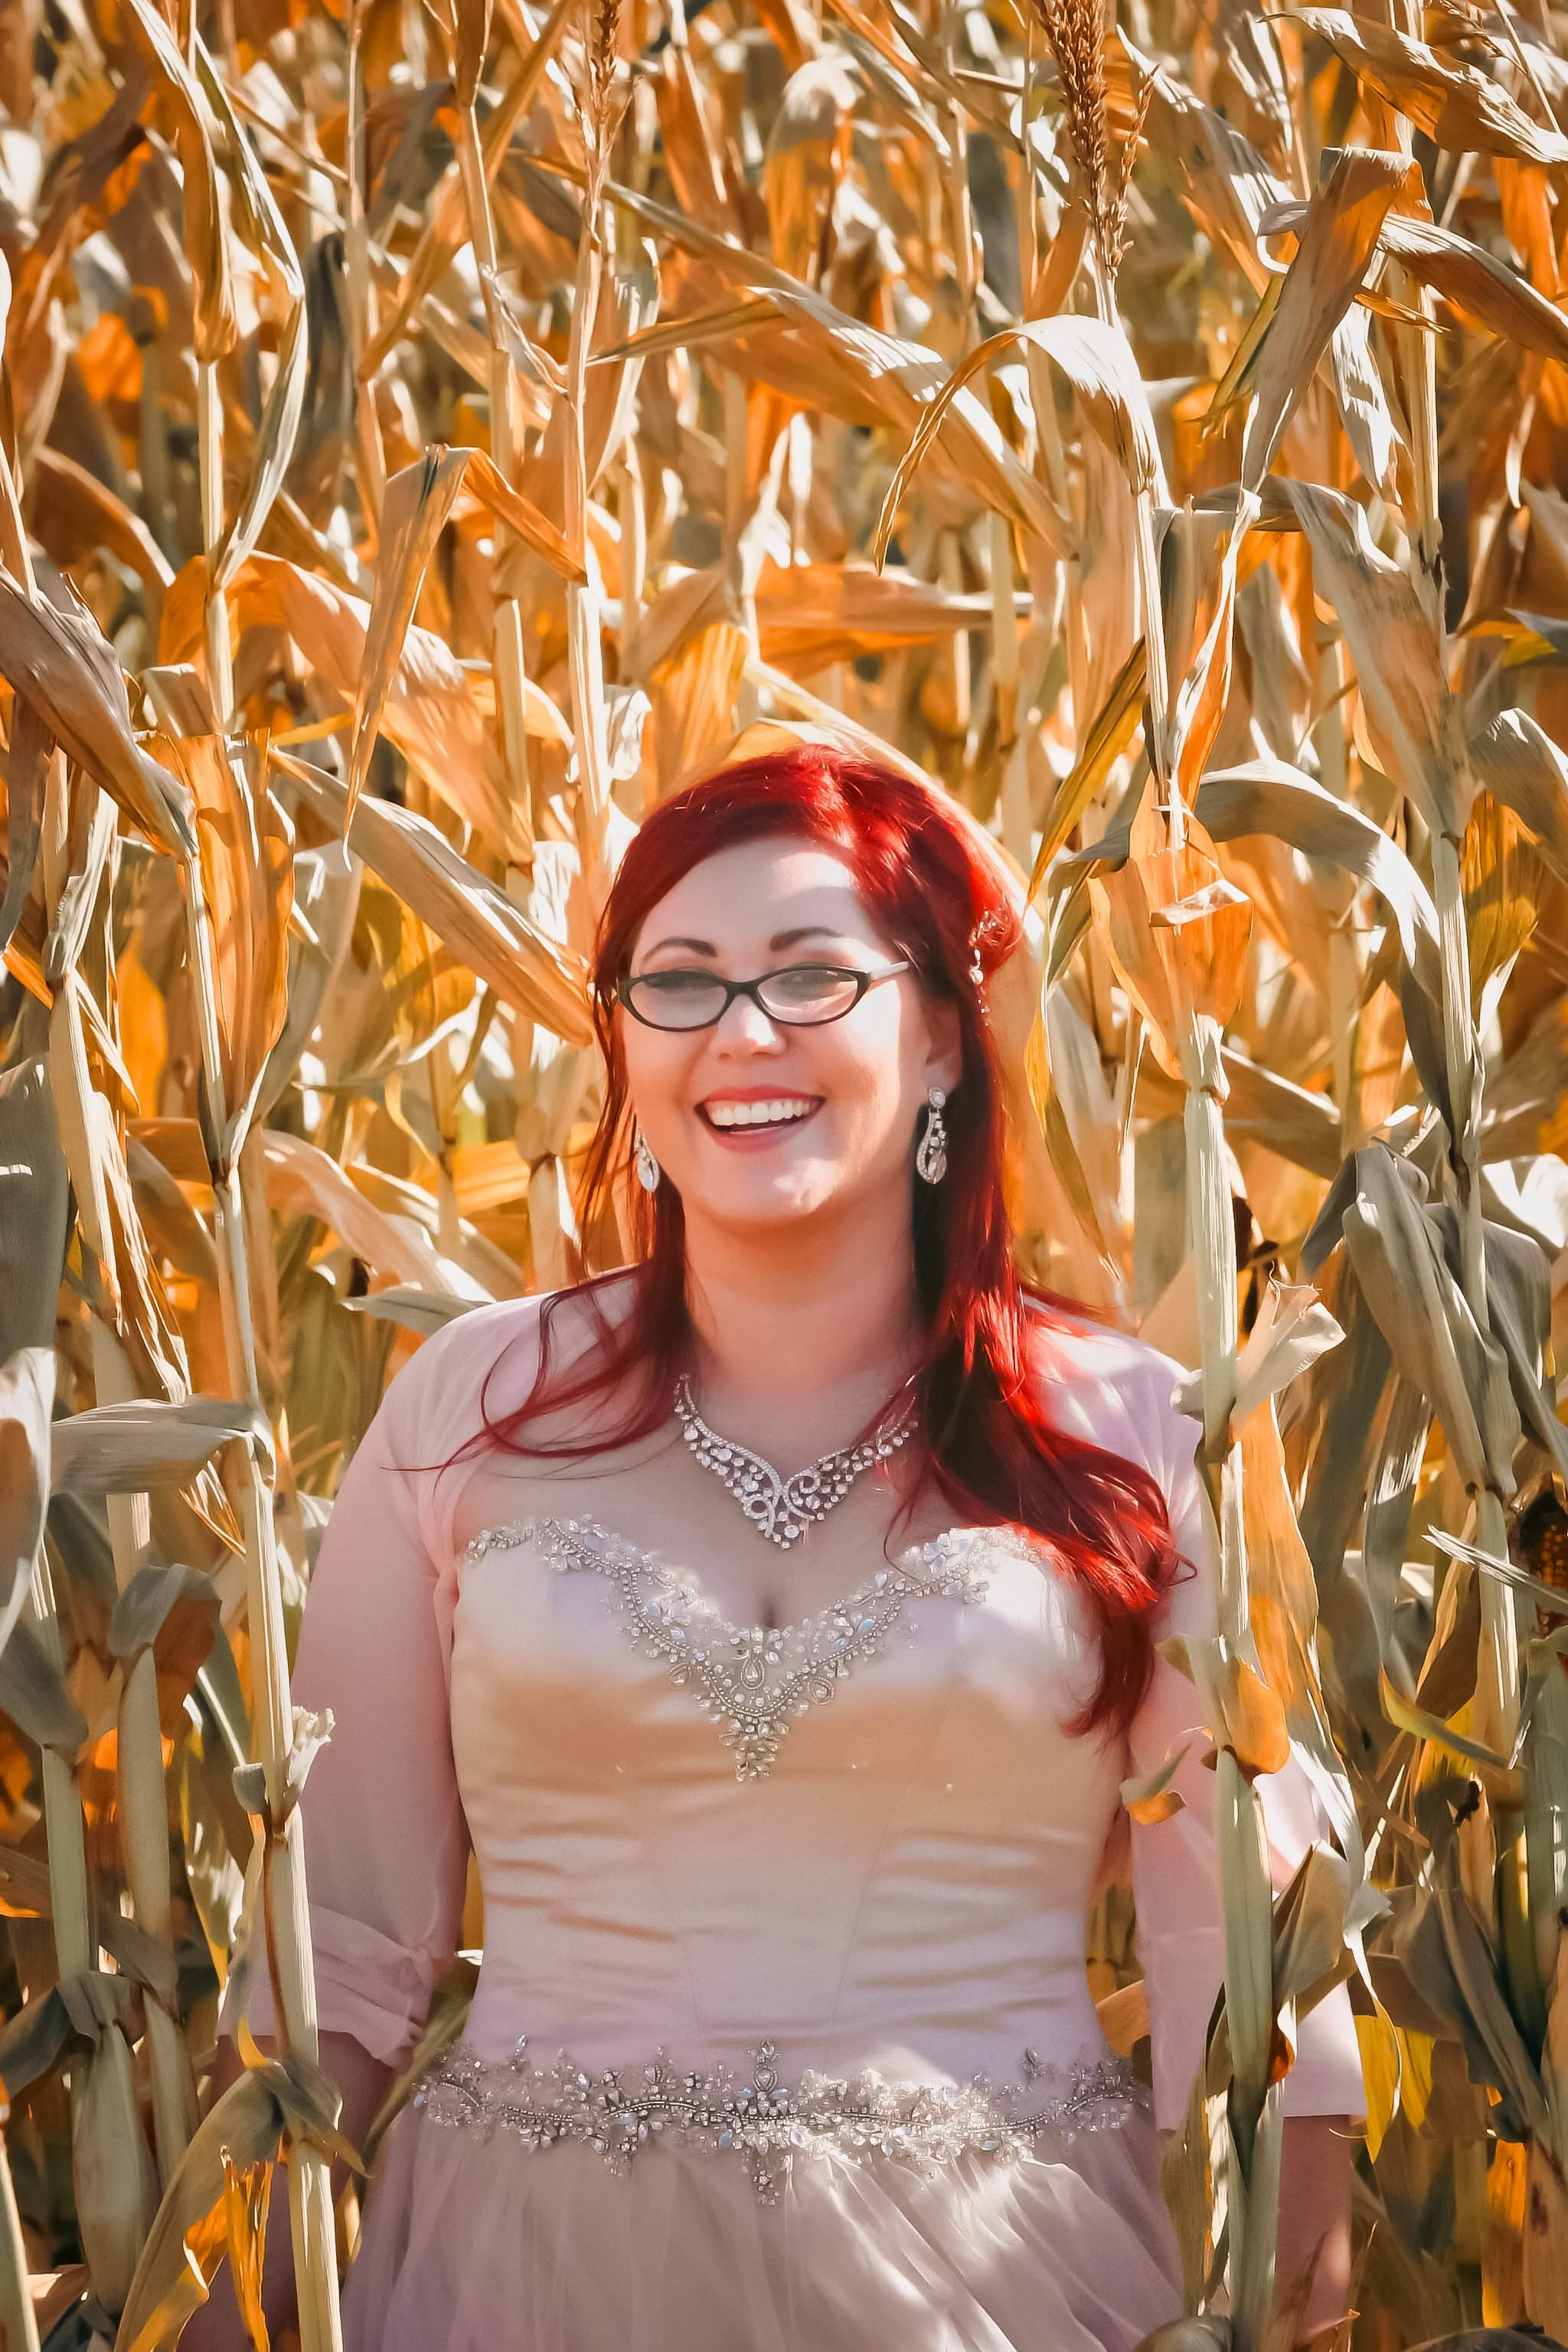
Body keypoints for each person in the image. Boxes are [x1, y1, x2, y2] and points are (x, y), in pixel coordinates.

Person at [198, 747, 1362, 2351]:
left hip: (992, 2289)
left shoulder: (1136, 1430)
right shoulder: (471, 1405)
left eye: (812, 973)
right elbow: (336, 1955)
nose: (742, 1032)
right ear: (618, 1041)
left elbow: (1246, 1959)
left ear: (944, 1035)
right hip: (520, 2283)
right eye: (675, 984)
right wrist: (213, 2312)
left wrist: (1300, 2301)